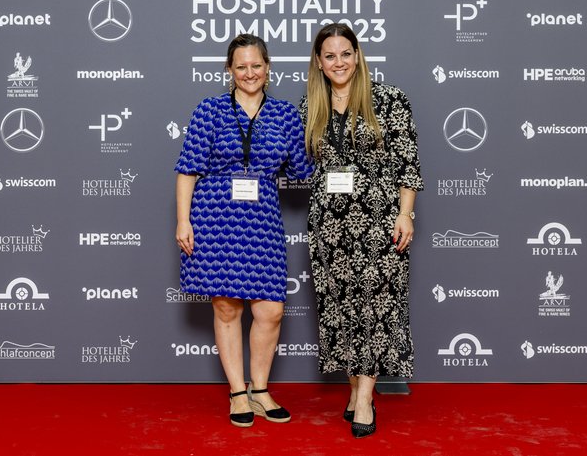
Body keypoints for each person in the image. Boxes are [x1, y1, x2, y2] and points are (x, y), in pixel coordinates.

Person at [175, 34, 313, 427]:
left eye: (256, 65)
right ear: (229, 70)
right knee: (226, 306)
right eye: (241, 66)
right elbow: (188, 169)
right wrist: (183, 220)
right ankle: (238, 392)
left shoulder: (285, 115)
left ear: (268, 68)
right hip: (215, 216)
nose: (249, 73)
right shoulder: (210, 110)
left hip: (262, 218)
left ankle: (261, 390)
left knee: (270, 309)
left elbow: (303, 170)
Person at [300, 22, 423, 438]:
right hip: (329, 226)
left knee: (374, 307)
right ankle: (354, 389)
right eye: (330, 56)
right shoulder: (310, 106)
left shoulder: (388, 99)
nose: (339, 62)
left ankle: (366, 398)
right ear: (319, 62)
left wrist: (406, 213)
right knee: (340, 308)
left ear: (357, 55)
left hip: (378, 221)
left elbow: (408, 162)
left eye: (346, 54)